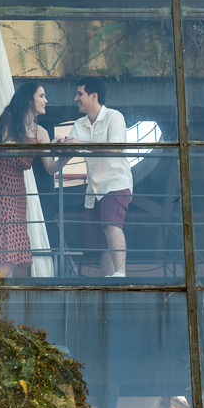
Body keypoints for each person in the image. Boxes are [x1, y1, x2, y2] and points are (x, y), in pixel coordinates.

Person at [0, 82, 59, 278]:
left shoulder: (42, 133)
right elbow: (9, 147)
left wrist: (69, 155)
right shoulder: (10, 119)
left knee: (10, 255)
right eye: (41, 96)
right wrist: (40, 147)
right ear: (30, 99)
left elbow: (50, 167)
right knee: (6, 254)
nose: (45, 100)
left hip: (17, 192)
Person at [55, 76, 133, 278]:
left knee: (111, 224)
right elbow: (63, 160)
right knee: (101, 240)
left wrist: (80, 144)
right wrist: (59, 144)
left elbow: (116, 150)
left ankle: (120, 274)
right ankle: (110, 280)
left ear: (93, 96)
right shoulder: (79, 125)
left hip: (115, 183)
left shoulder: (114, 117)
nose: (75, 98)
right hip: (94, 190)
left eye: (79, 94)